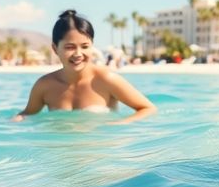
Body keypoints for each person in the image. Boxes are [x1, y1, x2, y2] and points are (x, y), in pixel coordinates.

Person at [12, 10, 157, 124]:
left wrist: (119, 124)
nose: (78, 54)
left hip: (101, 149)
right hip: (59, 149)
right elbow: (27, 114)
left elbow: (148, 109)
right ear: (55, 49)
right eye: (70, 47)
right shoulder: (44, 85)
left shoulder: (106, 79)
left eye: (85, 46)